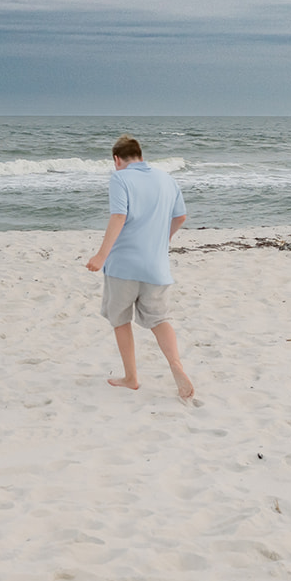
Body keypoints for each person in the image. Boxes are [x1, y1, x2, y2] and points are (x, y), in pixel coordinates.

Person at [84, 135, 194, 398]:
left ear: (116, 159)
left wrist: (101, 255)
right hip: (157, 267)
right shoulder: (166, 178)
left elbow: (119, 216)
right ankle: (176, 365)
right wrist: (162, 239)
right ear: (141, 156)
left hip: (123, 265)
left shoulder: (120, 178)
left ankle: (131, 377)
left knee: (120, 319)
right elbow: (181, 216)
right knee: (159, 319)